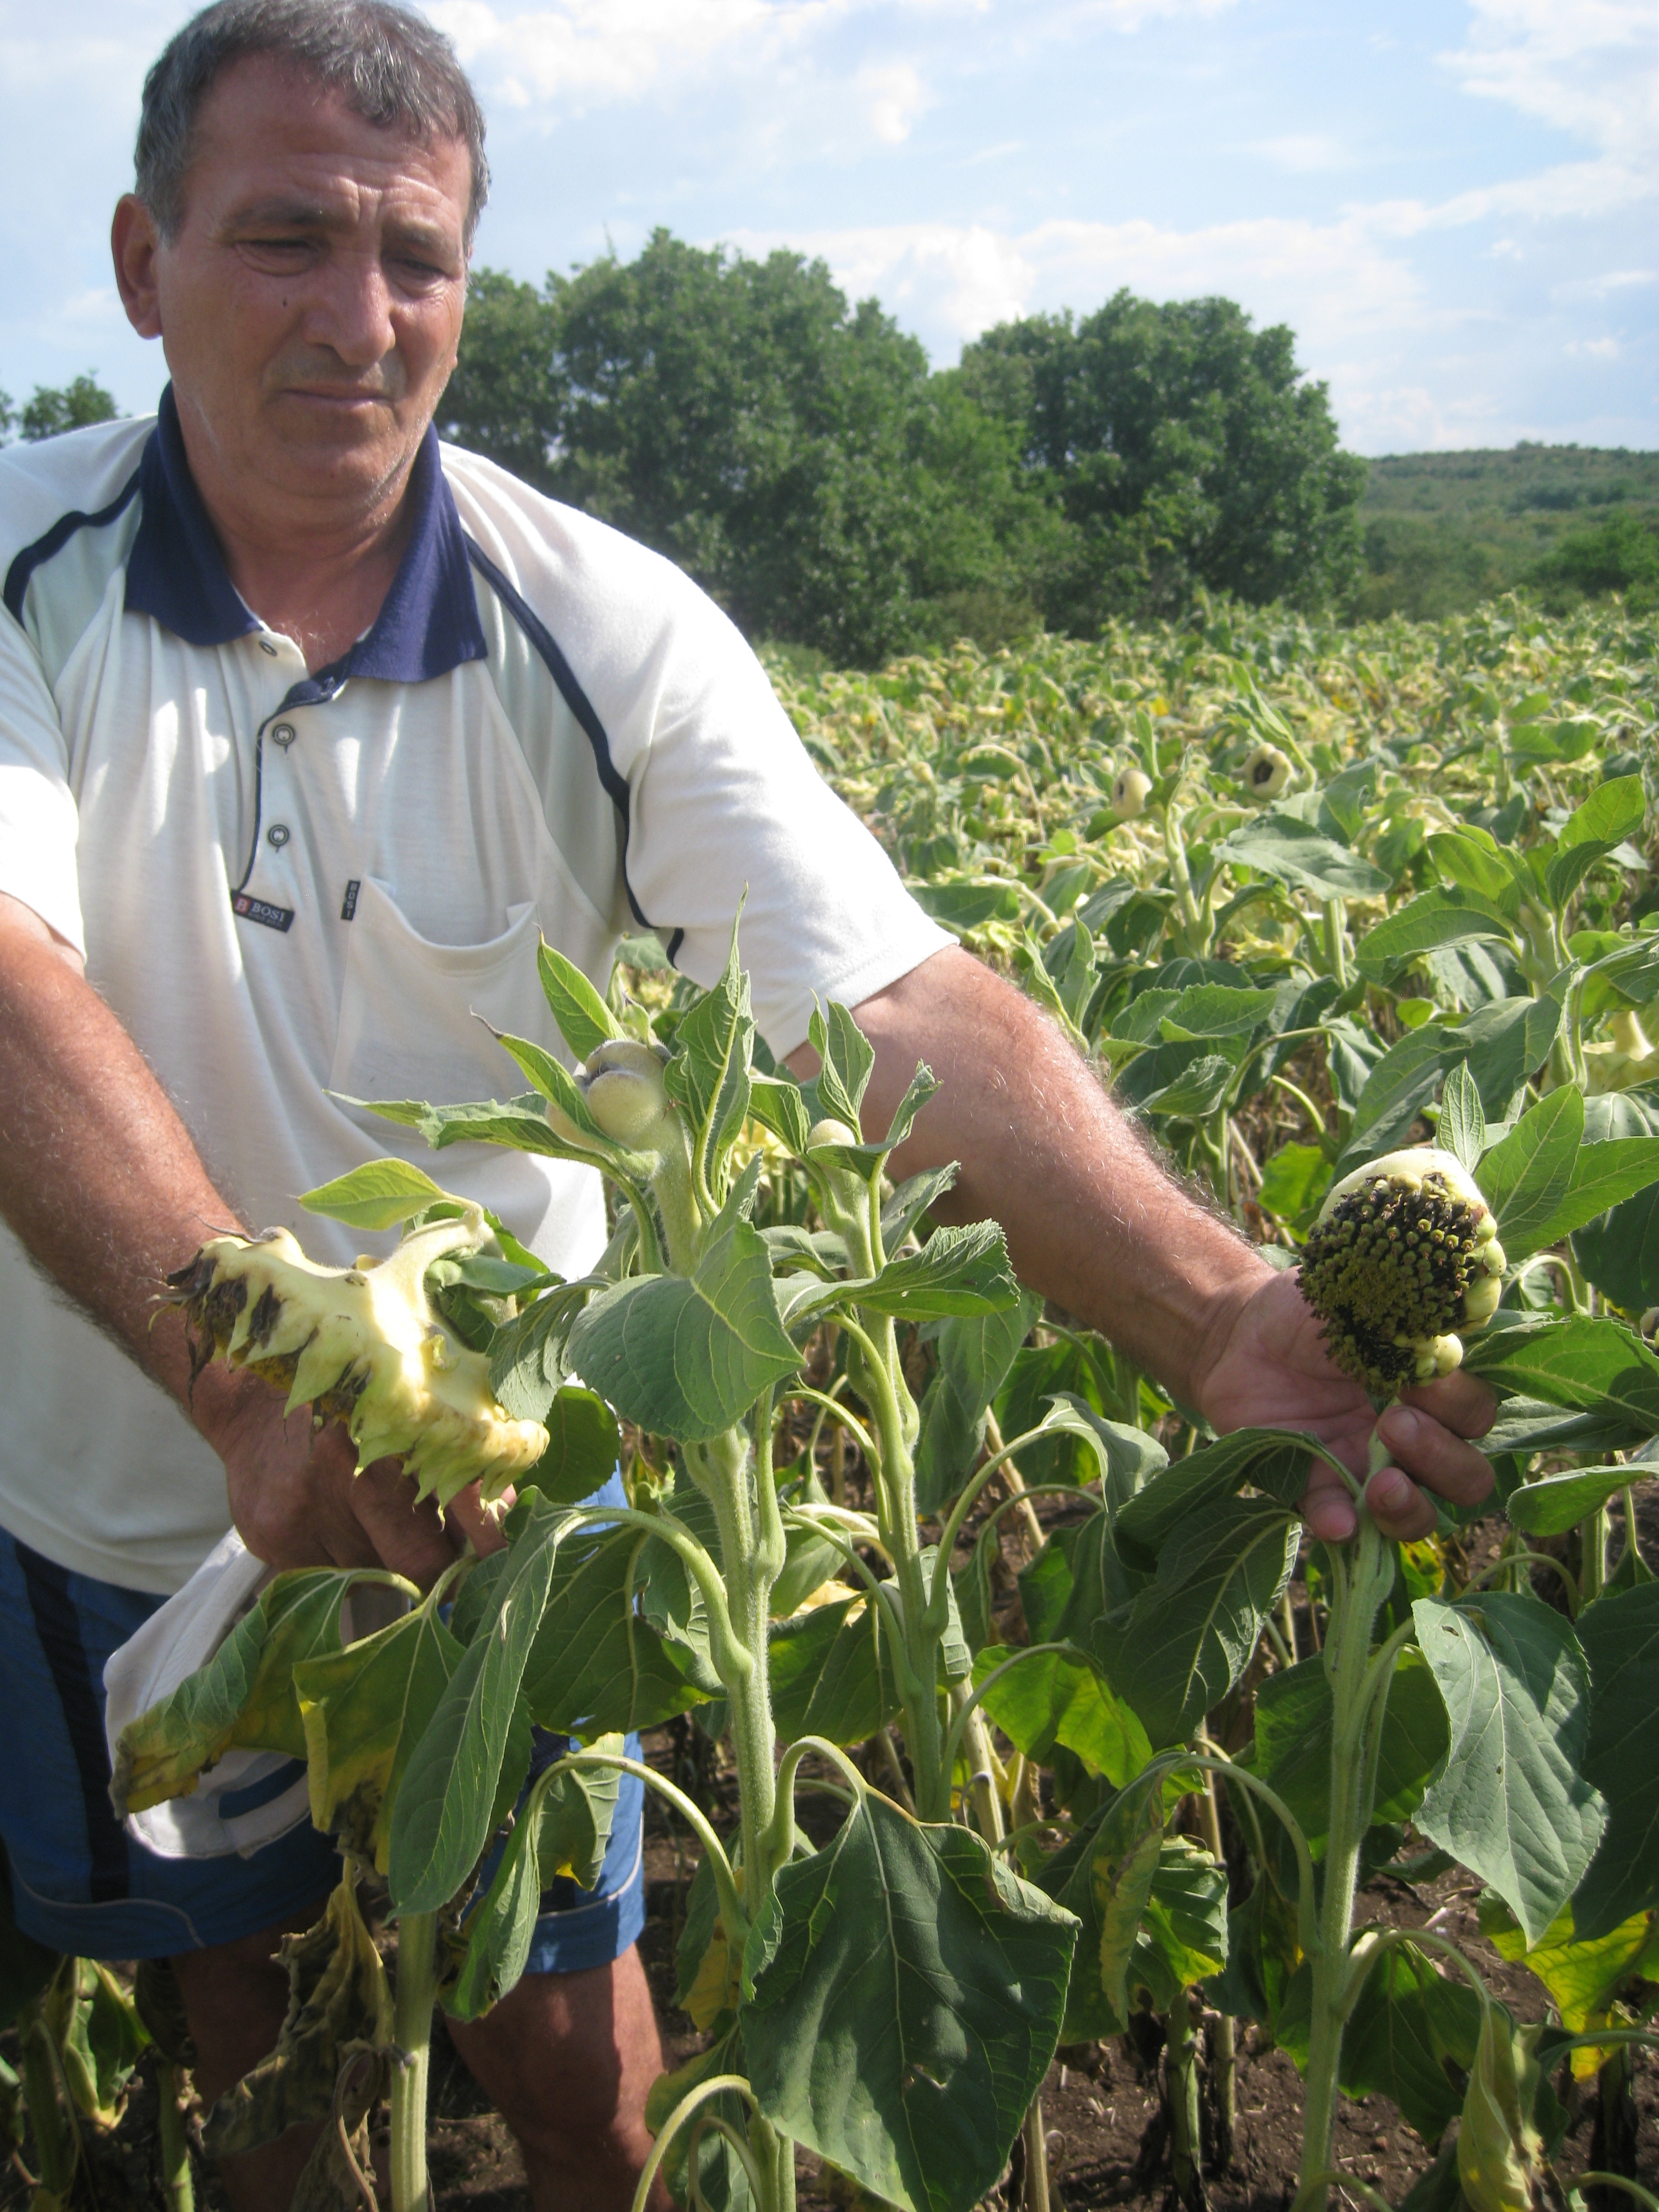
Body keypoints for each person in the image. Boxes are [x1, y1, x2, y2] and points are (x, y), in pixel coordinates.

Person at [0, 2, 1498, 2206]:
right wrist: (245, 1382)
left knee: (582, 2065)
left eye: (415, 257)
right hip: (124, 1502)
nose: (360, 317)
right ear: (143, 263)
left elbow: (880, 1007)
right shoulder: (26, 568)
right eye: (286, 241)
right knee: (244, 2026)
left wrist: (1211, 1311)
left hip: (503, 1528)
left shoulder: (599, 628)